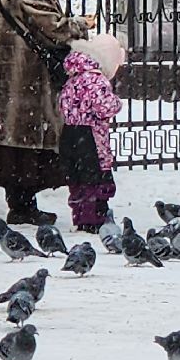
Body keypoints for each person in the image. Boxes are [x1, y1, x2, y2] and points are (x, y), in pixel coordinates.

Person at [0, 0, 94, 224]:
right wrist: (82, 25)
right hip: (26, 77)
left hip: (6, 78)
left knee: (11, 144)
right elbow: (52, 27)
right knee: (27, 142)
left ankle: (20, 203)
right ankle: (24, 207)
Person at [59, 34, 126, 232]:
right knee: (95, 179)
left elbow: (62, 104)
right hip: (90, 137)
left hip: (70, 133)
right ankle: (94, 217)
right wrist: (117, 103)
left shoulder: (73, 78)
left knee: (78, 180)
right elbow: (104, 107)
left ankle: (80, 215)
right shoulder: (96, 80)